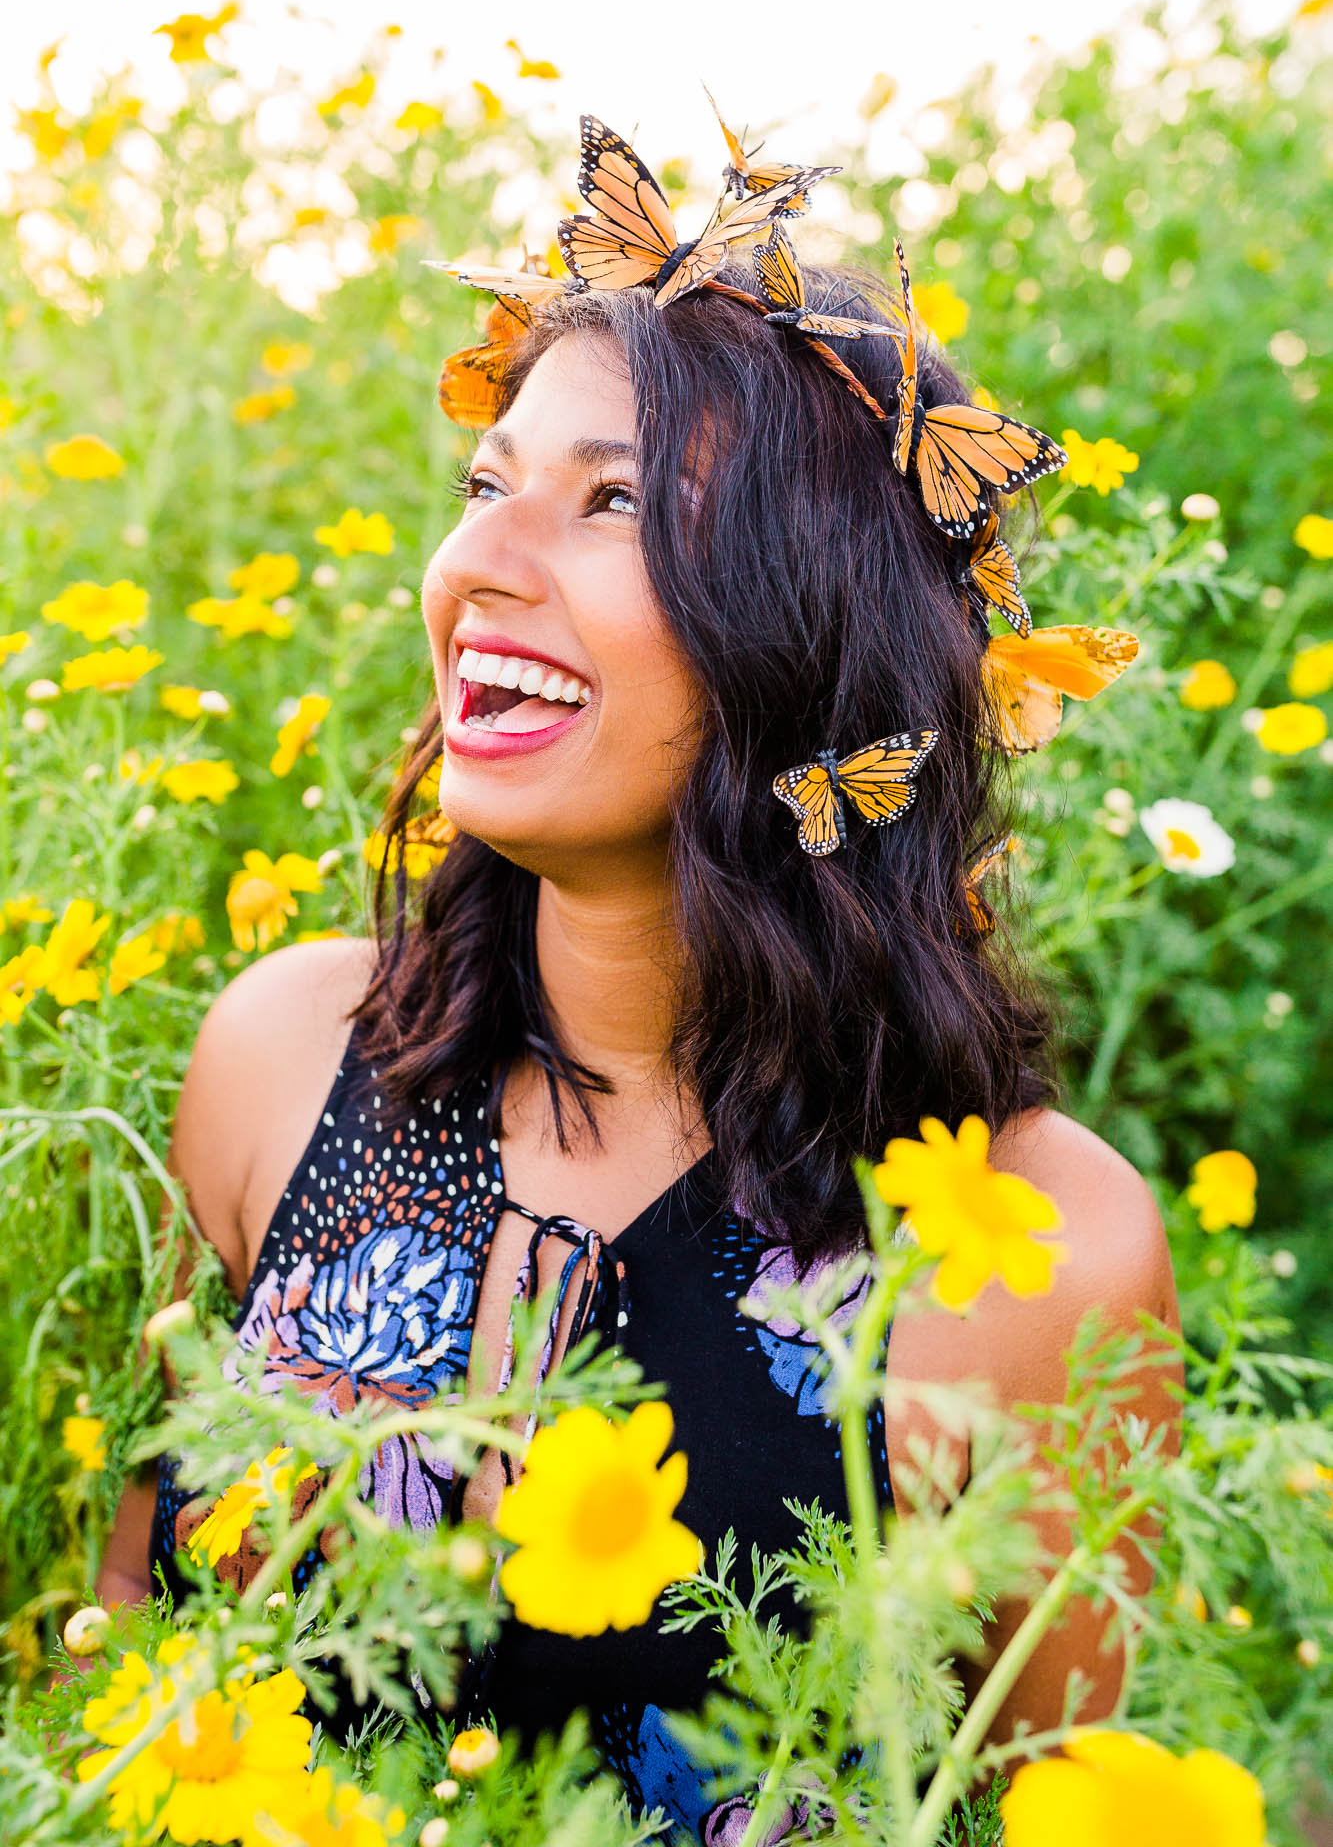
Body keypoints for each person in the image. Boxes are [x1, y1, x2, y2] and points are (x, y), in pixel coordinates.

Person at [96, 125, 1180, 1841]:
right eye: (485, 486)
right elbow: (128, 1687)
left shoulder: (1043, 1251)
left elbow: (1056, 1812)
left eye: (610, 500)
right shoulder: (281, 1055)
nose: (478, 569)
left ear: (805, 633)